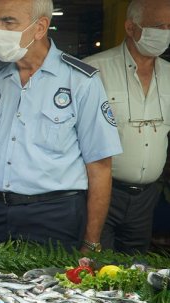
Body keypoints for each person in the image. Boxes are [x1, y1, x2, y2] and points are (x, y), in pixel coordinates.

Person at [0, 0, 123, 253]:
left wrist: (91, 241)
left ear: (40, 27)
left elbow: (99, 166)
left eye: (9, 22)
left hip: (55, 218)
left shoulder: (81, 81)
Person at [83, 0, 170, 254]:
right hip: (102, 193)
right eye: (158, 26)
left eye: (169, 26)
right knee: (96, 269)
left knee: (135, 271)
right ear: (131, 28)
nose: (165, 33)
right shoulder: (94, 69)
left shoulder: (169, 76)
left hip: (146, 198)